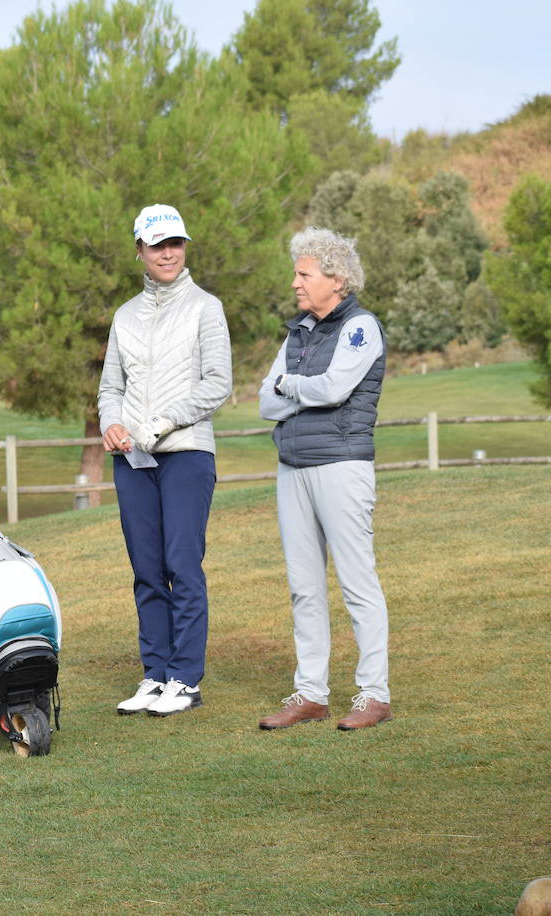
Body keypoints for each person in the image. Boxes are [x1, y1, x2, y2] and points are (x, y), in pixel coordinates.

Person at [99, 204, 233, 717]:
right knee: (147, 569)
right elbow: (111, 386)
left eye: (175, 243)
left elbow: (217, 384)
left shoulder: (206, 307)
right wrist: (113, 422)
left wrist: (159, 425)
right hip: (131, 458)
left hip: (186, 453)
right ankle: (155, 674)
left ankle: (185, 679)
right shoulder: (125, 315)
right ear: (140, 250)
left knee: (182, 564)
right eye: (157, 245)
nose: (168, 253)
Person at [256, 227, 392, 731]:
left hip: (341, 465)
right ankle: (311, 694)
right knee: (304, 587)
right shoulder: (298, 331)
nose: (294, 282)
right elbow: (264, 401)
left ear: (334, 279)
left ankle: (374, 695)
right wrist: (296, 390)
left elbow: (334, 389)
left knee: (357, 582)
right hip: (292, 467)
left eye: (304, 273)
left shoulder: (360, 327)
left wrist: (291, 384)